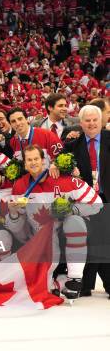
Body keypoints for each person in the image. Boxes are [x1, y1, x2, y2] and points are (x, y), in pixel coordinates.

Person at [7, 145, 102, 301]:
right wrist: (13, 213)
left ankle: (75, 278)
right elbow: (19, 227)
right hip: (41, 239)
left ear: (44, 161)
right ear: (24, 164)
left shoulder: (64, 179)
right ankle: (58, 281)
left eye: (36, 159)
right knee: (37, 285)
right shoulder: (20, 186)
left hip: (66, 234)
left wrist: (71, 209)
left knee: (74, 222)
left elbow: (96, 203)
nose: (33, 163)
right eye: (29, 160)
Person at [60, 105, 110, 296]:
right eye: (87, 120)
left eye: (94, 120)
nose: (91, 123)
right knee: (89, 240)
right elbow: (62, 166)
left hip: (107, 196)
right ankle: (86, 284)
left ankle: (100, 283)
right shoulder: (72, 145)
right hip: (86, 200)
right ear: (80, 123)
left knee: (105, 240)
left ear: (101, 121)